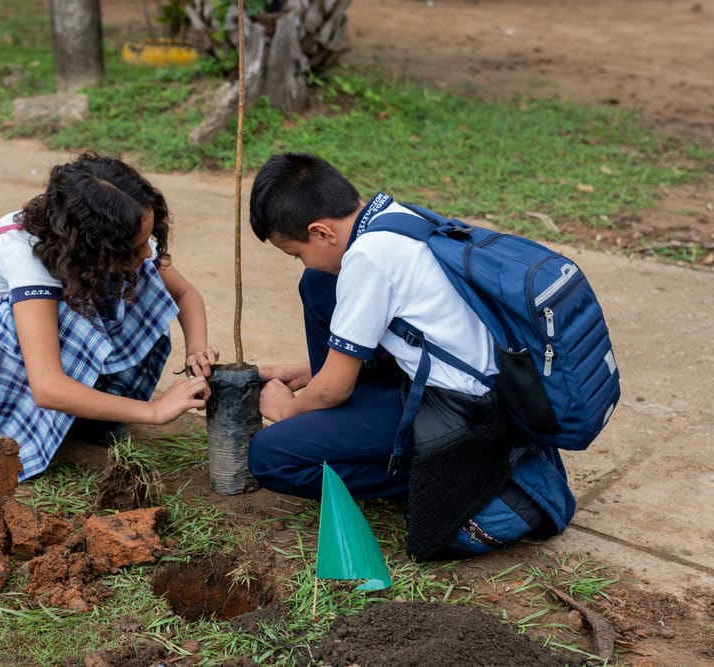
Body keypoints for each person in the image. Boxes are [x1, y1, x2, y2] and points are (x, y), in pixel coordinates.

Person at [247, 152, 576, 560]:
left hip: (461, 415)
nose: (300, 261)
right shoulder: (393, 216)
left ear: (322, 232)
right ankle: (405, 451)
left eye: (295, 252)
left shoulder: (367, 259)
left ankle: (453, 476)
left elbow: (332, 392)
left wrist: (289, 409)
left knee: (270, 456)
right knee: (318, 282)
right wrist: (312, 372)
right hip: (474, 386)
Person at [0, 151, 218, 481]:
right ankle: (14, 428)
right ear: (93, 245)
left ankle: (86, 418)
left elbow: (185, 294)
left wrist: (196, 351)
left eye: (148, 239)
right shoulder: (26, 255)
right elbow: (47, 387)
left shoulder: (114, 233)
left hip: (24, 360)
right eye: (135, 246)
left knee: (143, 282)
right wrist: (153, 411)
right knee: (73, 316)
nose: (146, 251)